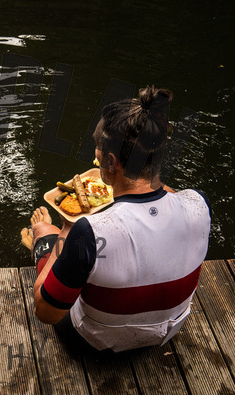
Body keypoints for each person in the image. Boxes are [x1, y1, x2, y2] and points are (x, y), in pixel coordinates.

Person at [21, 86, 211, 352]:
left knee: (47, 233)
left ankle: (42, 242)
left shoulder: (88, 232)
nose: (95, 153)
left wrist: (66, 229)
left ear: (110, 162)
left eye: (98, 149)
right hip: (166, 333)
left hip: (96, 343)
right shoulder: (199, 203)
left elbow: (45, 313)